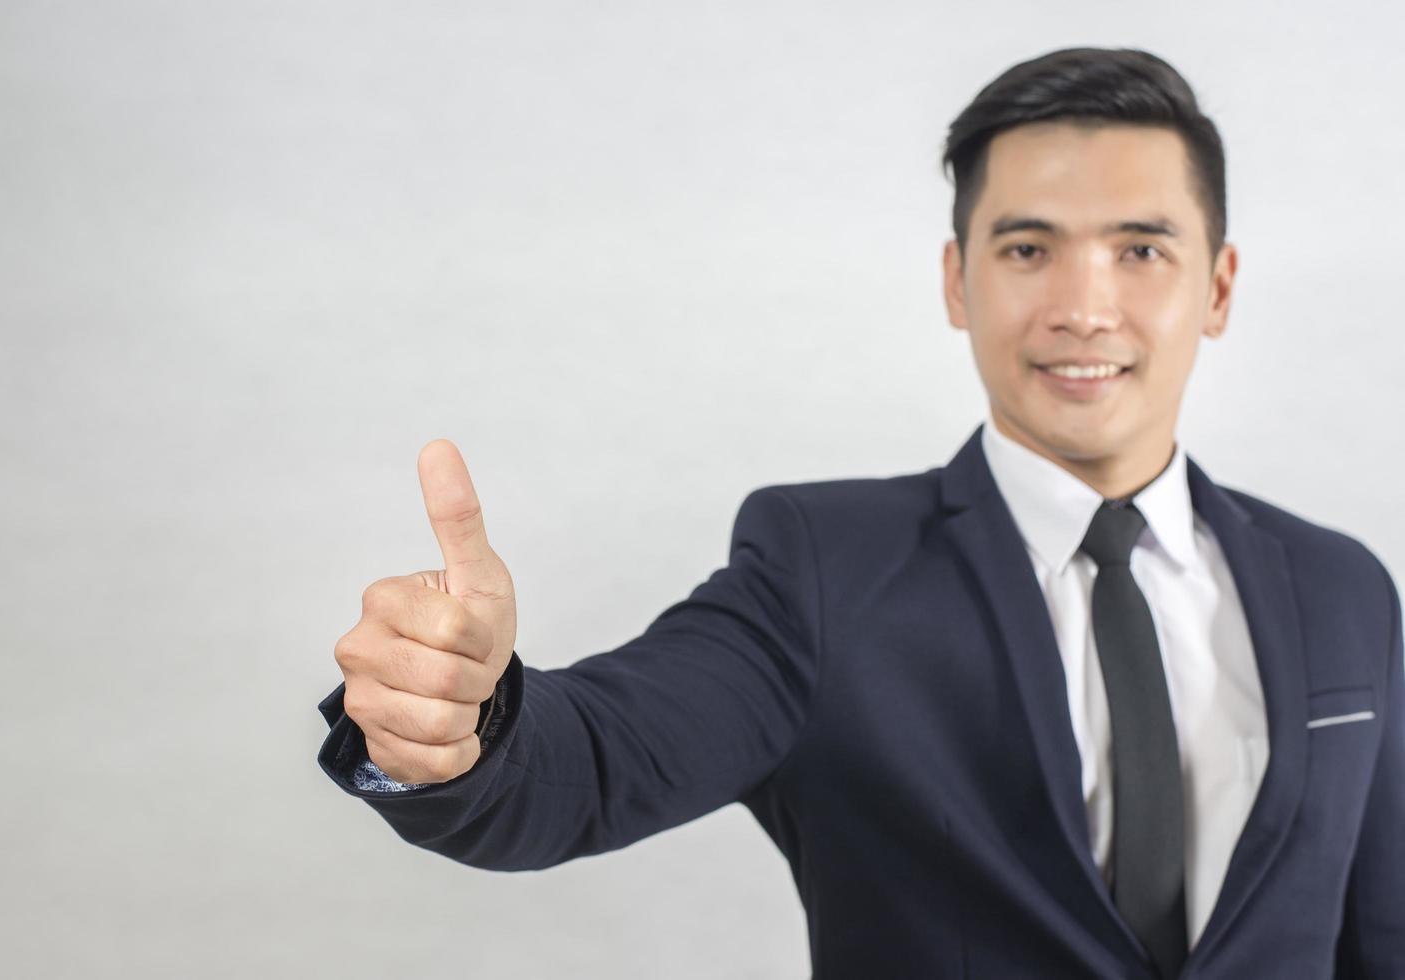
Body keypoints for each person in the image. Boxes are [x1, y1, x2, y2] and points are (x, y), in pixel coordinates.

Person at [315, 46, 1402, 978]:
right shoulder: (824, 571)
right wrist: (464, 722)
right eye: (1027, 249)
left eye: (1141, 248)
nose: (1082, 306)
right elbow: (592, 763)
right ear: (956, 281)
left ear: (1216, 287)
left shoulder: (1342, 588)